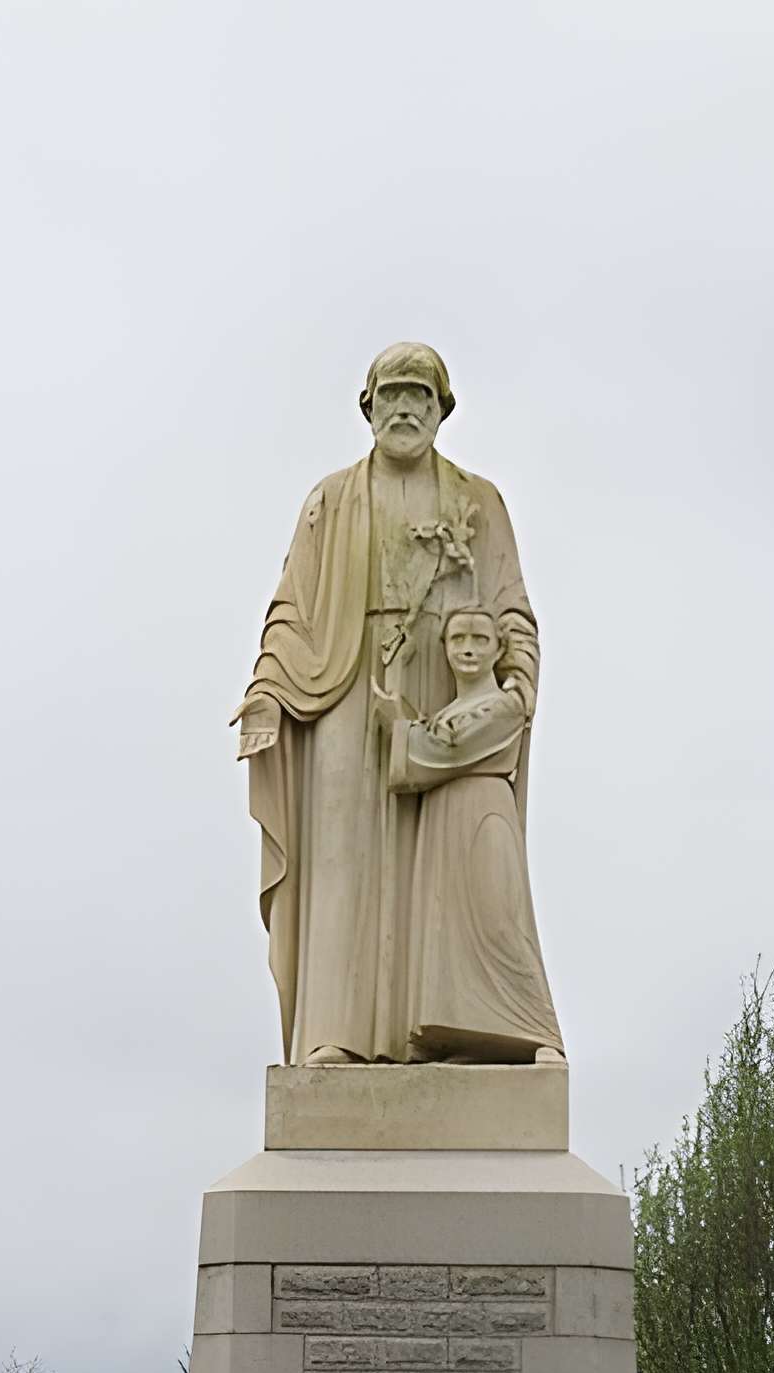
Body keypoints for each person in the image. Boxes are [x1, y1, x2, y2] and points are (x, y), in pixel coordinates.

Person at [234, 343, 562, 1066]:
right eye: (392, 395)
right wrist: (266, 690)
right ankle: (336, 1037)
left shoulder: (479, 500)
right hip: (348, 684)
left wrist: (519, 682)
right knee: (342, 855)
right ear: (368, 407)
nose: (405, 408)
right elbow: (290, 608)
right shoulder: (330, 499)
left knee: (451, 864)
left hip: (449, 689)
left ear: (442, 410)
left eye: (421, 395)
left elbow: (512, 606)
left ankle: (455, 1029)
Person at [383, 606, 564, 1062]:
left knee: (498, 920)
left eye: (480, 639)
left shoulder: (506, 704)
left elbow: (443, 748)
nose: (467, 648)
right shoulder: (449, 710)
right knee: (444, 928)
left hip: (485, 814)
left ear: (499, 648)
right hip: (442, 821)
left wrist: (396, 726)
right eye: (457, 638)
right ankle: (460, 1033)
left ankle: (539, 1032)